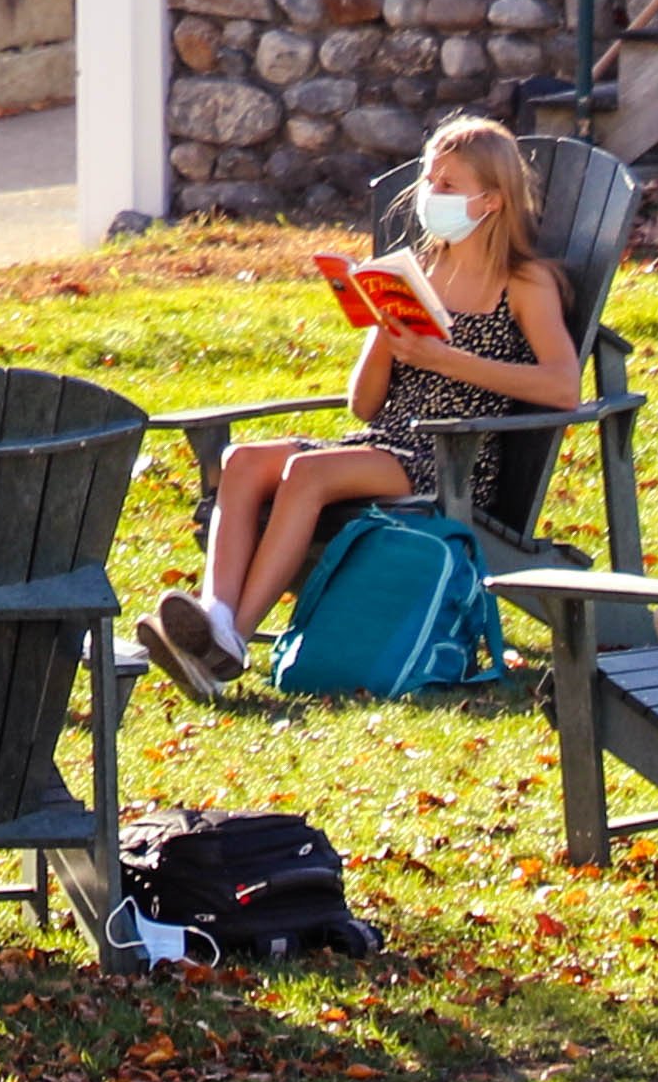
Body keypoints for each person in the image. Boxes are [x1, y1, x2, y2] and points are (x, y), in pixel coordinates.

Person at [151, 110, 589, 696]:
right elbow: (363, 404)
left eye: (448, 186)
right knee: (242, 462)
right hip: (381, 444)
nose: (431, 194)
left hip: (452, 459)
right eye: (430, 181)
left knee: (305, 474)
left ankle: (231, 643)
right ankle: (216, 619)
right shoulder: (420, 270)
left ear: (490, 201)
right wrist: (382, 327)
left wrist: (447, 360)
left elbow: (564, 387)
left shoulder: (524, 283)